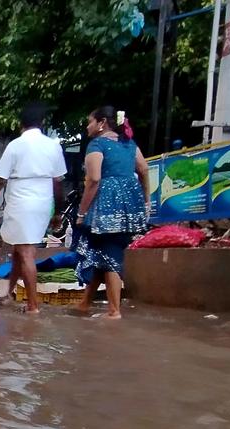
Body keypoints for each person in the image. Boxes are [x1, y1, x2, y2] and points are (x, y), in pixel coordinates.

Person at [0, 102, 68, 313]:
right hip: (42, 202)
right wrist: (57, 212)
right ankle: (8, 294)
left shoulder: (16, 145)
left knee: (27, 253)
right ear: (42, 123)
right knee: (18, 250)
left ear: (21, 124)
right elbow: (59, 182)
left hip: (21, 202)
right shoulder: (53, 146)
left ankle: (33, 306)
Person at [71, 106, 151, 319]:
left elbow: (94, 179)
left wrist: (81, 212)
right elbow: (143, 169)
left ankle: (114, 312)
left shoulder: (97, 144)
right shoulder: (128, 143)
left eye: (90, 121)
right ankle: (85, 303)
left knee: (110, 253)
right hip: (130, 204)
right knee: (102, 252)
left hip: (107, 204)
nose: (88, 126)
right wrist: (146, 200)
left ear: (101, 123)